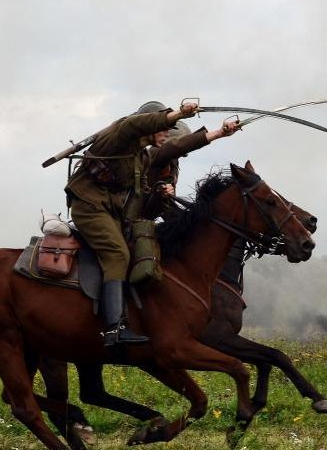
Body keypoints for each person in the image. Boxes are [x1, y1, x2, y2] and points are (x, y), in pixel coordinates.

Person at [64, 100, 238, 347]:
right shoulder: (120, 134)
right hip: (88, 206)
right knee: (117, 255)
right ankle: (114, 328)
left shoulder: (142, 156)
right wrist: (179, 113)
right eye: (165, 128)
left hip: (108, 210)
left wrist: (220, 133)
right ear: (148, 126)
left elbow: (174, 148)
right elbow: (142, 124)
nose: (168, 134)